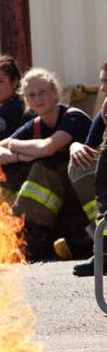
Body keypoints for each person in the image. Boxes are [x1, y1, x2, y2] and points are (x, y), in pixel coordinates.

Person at [0, 68, 92, 261]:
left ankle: (33, 238)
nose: (38, 99)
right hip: (62, 205)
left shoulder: (73, 117)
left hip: (85, 202)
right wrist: (20, 157)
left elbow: (47, 147)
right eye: (31, 95)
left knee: (44, 167)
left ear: (54, 92)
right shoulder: (35, 125)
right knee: (8, 171)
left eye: (42, 92)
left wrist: (12, 144)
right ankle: (8, 232)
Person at [67, 62, 107, 276]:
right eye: (102, 81)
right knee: (81, 164)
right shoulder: (105, 112)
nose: (103, 89)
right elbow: (89, 146)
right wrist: (75, 146)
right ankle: (104, 250)